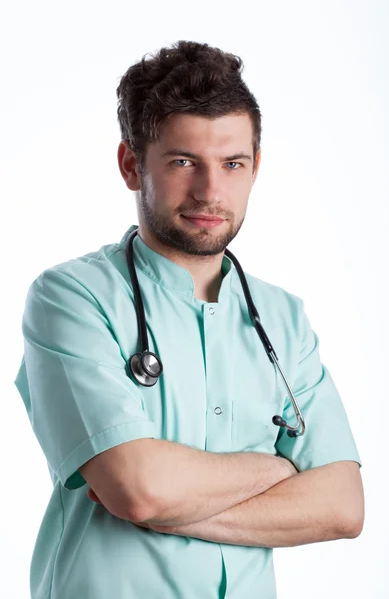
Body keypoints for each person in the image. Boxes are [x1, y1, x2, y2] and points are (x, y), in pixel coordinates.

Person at [14, 40, 364, 599]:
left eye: (232, 164)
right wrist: (275, 470)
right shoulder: (72, 298)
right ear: (132, 165)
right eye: (183, 162)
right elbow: (138, 489)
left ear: (255, 168)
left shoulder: (283, 318)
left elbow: (343, 506)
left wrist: (166, 506)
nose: (210, 191)